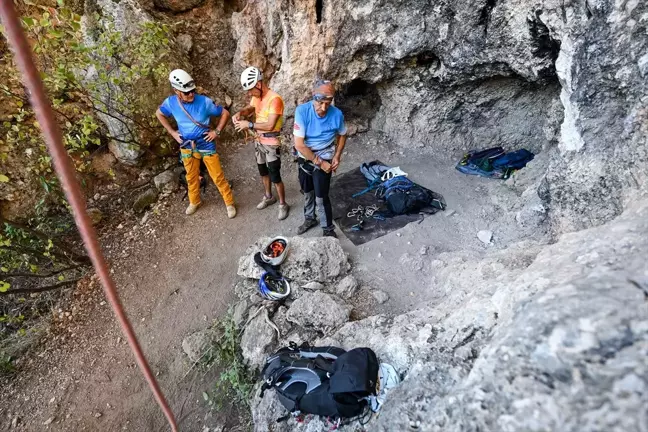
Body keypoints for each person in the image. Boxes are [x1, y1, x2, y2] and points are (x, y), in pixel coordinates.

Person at [155, 69, 236, 218]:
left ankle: (229, 202)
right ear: (176, 91)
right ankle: (194, 201)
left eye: (192, 90)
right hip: (186, 145)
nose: (191, 94)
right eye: (186, 92)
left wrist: (216, 132)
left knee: (217, 175)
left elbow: (224, 113)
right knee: (191, 176)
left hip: (205, 143)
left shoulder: (204, 102)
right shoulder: (171, 103)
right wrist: (172, 133)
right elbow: (159, 113)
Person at [232, 66, 289, 220]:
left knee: (275, 175)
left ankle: (283, 204)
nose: (249, 93)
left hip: (271, 142)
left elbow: (270, 124)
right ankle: (269, 196)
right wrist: (240, 113)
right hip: (259, 141)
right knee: (263, 171)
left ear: (258, 84)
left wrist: (249, 125)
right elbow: (250, 108)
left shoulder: (275, 99)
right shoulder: (257, 97)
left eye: (251, 89)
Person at [293, 79, 347, 237]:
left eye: (327, 103)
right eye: (320, 103)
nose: (323, 108)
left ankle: (328, 229)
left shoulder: (336, 114)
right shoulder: (302, 112)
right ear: (313, 96)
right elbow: (299, 144)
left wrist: (337, 156)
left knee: (321, 196)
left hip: (326, 154)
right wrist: (319, 162)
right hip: (306, 156)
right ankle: (310, 218)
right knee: (307, 190)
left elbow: (343, 135)